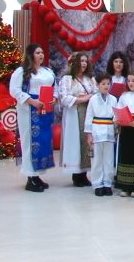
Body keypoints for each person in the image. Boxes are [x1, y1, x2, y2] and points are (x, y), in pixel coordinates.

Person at [9, 43, 57, 193]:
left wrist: (54, 98)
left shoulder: (47, 71)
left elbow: (55, 87)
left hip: (45, 108)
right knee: (30, 142)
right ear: (31, 55)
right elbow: (14, 90)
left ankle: (37, 175)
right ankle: (30, 178)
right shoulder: (21, 71)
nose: (41, 55)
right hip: (29, 110)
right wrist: (32, 101)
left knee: (43, 141)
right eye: (37, 53)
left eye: (42, 52)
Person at [59, 52, 96, 187]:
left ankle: (84, 174)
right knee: (75, 142)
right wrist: (83, 98)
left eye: (86, 61)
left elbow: (96, 93)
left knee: (86, 141)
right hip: (73, 115)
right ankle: (76, 174)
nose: (84, 63)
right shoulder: (67, 79)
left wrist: (86, 97)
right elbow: (64, 98)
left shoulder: (89, 79)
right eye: (81, 61)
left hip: (87, 113)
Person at [84, 73, 117, 196]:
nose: (106, 86)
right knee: (97, 159)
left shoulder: (113, 99)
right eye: (103, 84)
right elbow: (89, 117)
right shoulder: (93, 99)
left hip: (109, 130)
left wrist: (116, 126)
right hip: (96, 130)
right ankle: (97, 184)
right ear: (98, 85)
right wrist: (89, 134)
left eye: (108, 84)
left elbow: (115, 115)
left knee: (108, 160)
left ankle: (107, 183)